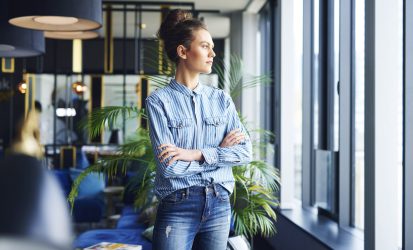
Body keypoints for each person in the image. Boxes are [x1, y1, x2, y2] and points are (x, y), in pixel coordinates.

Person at [145, 9, 252, 250]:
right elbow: (170, 167)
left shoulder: (221, 100)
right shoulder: (158, 102)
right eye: (205, 46)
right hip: (177, 205)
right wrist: (219, 154)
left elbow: (245, 153)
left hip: (219, 202)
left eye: (212, 46)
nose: (213, 53)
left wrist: (197, 154)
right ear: (183, 51)